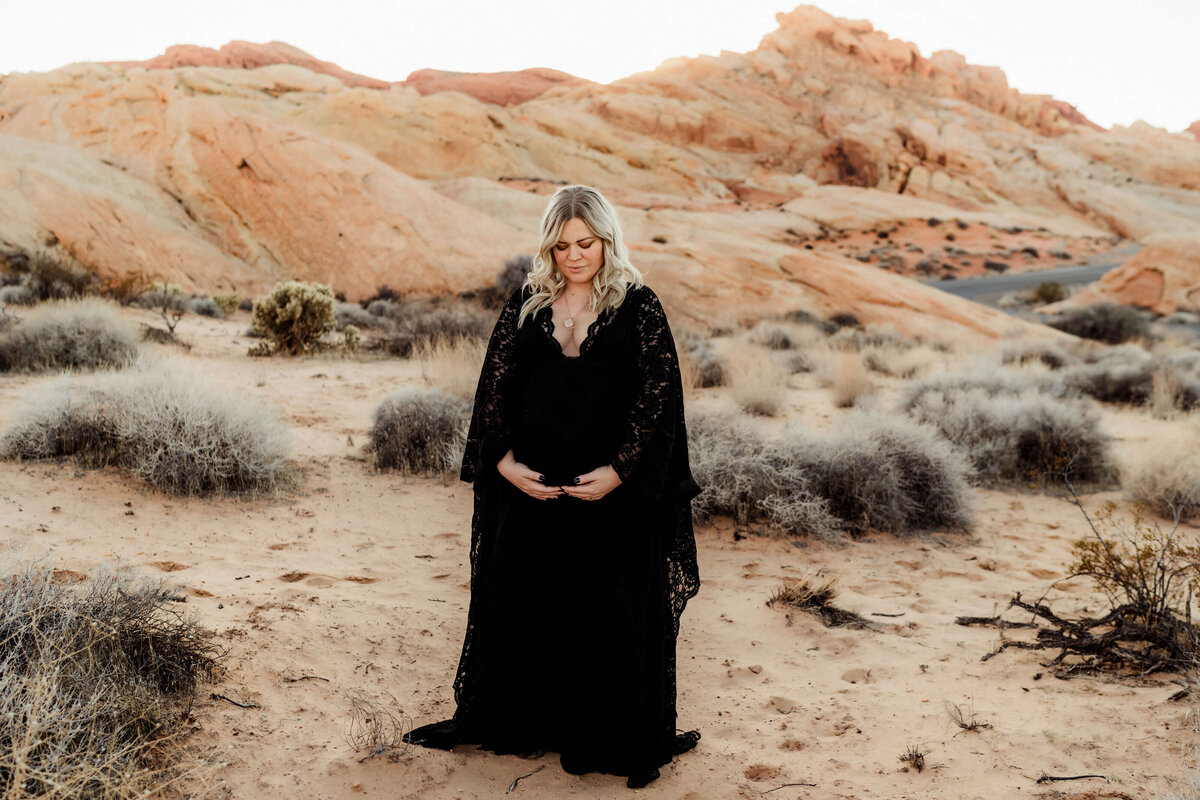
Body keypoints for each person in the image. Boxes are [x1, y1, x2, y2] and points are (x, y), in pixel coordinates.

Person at [403, 185, 701, 789]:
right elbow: (494, 393)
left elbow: (657, 403)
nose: (574, 255)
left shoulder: (639, 307)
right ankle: (528, 717)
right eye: (562, 245)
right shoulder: (527, 304)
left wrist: (617, 473)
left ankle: (601, 730)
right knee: (527, 602)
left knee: (605, 611)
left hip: (610, 498)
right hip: (532, 492)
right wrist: (505, 465)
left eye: (586, 243)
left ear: (607, 241)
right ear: (548, 247)